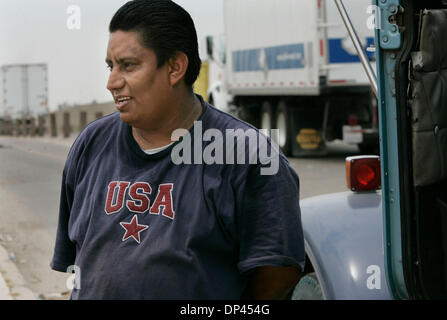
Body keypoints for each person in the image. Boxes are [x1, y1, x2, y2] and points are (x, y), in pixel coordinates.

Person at [50, 0, 305, 300]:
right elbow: (78, 262)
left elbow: (277, 277)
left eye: (128, 65)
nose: (112, 82)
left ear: (174, 67)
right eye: (110, 66)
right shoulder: (91, 144)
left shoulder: (246, 156)